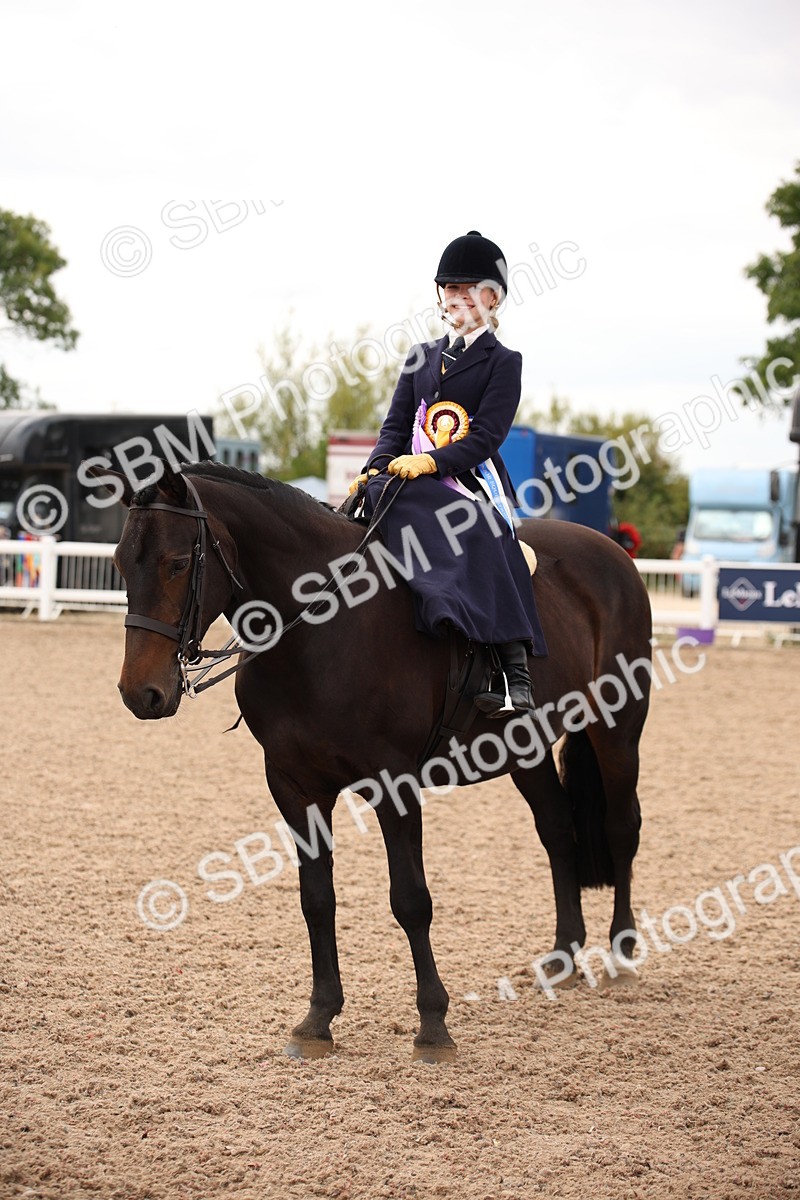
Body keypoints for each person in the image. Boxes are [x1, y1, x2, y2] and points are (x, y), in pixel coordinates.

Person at [348, 230, 546, 718]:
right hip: (407, 474)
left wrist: (433, 462)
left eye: (465, 288)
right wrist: (371, 469)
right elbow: (394, 427)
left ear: (491, 297)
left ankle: (513, 673)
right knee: (366, 507)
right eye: (448, 288)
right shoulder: (421, 355)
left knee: (481, 530)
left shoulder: (504, 362)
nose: (453, 297)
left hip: (469, 476)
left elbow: (487, 437)